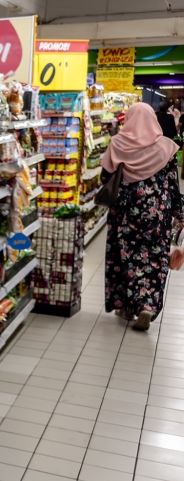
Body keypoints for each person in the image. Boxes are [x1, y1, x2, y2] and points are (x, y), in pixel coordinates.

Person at [101, 102, 184, 331]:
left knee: (125, 258)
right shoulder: (166, 147)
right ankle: (147, 306)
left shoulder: (118, 143)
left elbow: (105, 177)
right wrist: (179, 214)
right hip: (158, 213)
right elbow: (173, 185)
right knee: (153, 259)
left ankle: (127, 305)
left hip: (125, 211)